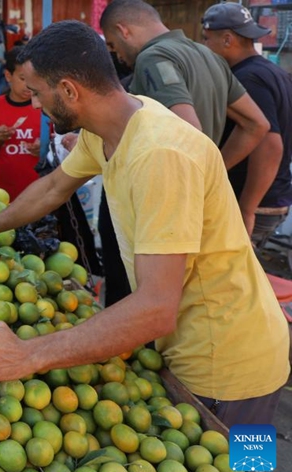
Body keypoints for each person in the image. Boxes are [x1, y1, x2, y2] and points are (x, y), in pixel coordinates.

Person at [0, 20, 290, 427]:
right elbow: (53, 188)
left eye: (36, 93)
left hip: (233, 368)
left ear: (69, 91)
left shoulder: (159, 156)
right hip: (189, 347)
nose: (33, 105)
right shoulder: (111, 126)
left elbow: (156, 307)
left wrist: (26, 354)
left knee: (243, 469)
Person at [97, 0, 270, 306]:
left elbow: (189, 131)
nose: (117, 55)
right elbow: (256, 124)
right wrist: (216, 171)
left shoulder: (153, 57)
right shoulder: (209, 55)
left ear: (124, 30)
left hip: (160, 208)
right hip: (195, 208)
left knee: (136, 302)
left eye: (113, 44)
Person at [201, 2, 292, 244]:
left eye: (207, 39)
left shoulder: (246, 79)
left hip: (255, 203)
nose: (204, 47)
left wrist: (246, 208)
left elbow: (270, 145)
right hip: (272, 198)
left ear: (228, 40)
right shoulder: (273, 72)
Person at [0, 46, 41, 198]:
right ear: (8, 76)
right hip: (3, 195)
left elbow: (60, 145)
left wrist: (44, 147)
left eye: (33, 79)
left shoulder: (44, 106)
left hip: (38, 195)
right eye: (23, 79)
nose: (28, 85)